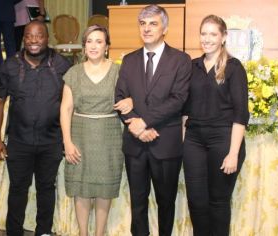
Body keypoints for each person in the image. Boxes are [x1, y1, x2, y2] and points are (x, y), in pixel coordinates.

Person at [115, 4, 192, 236]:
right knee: (137, 203)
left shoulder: (180, 59)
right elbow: (120, 99)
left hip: (165, 144)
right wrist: (137, 128)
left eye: (153, 23)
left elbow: (178, 100)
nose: (147, 29)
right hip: (135, 145)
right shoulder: (128, 60)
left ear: (164, 28)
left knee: (166, 203)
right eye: (143, 23)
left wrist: (143, 121)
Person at [0, 20, 71, 236]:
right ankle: (14, 232)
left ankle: (43, 231)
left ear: (47, 38)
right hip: (19, 141)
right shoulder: (10, 66)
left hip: (51, 141)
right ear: (24, 38)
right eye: (29, 36)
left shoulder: (63, 65)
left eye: (39, 35)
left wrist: (68, 140)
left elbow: (71, 103)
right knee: (17, 189)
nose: (34, 40)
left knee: (46, 189)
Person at [60, 25, 132, 236]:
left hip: (108, 136)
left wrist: (131, 100)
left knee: (104, 189)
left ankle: (99, 233)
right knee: (81, 189)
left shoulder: (119, 72)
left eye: (99, 41)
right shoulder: (73, 73)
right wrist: (67, 141)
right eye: (89, 41)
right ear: (84, 46)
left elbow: (134, 95)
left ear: (107, 46)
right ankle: (83, 233)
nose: (94, 46)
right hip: (79, 135)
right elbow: (66, 109)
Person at [182, 15, 249, 236]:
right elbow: (185, 110)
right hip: (194, 141)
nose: (207, 39)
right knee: (196, 201)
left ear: (223, 37)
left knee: (218, 202)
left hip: (223, 140)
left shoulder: (233, 67)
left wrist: (233, 153)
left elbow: (241, 114)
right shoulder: (192, 66)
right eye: (203, 33)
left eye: (213, 34)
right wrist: (184, 141)